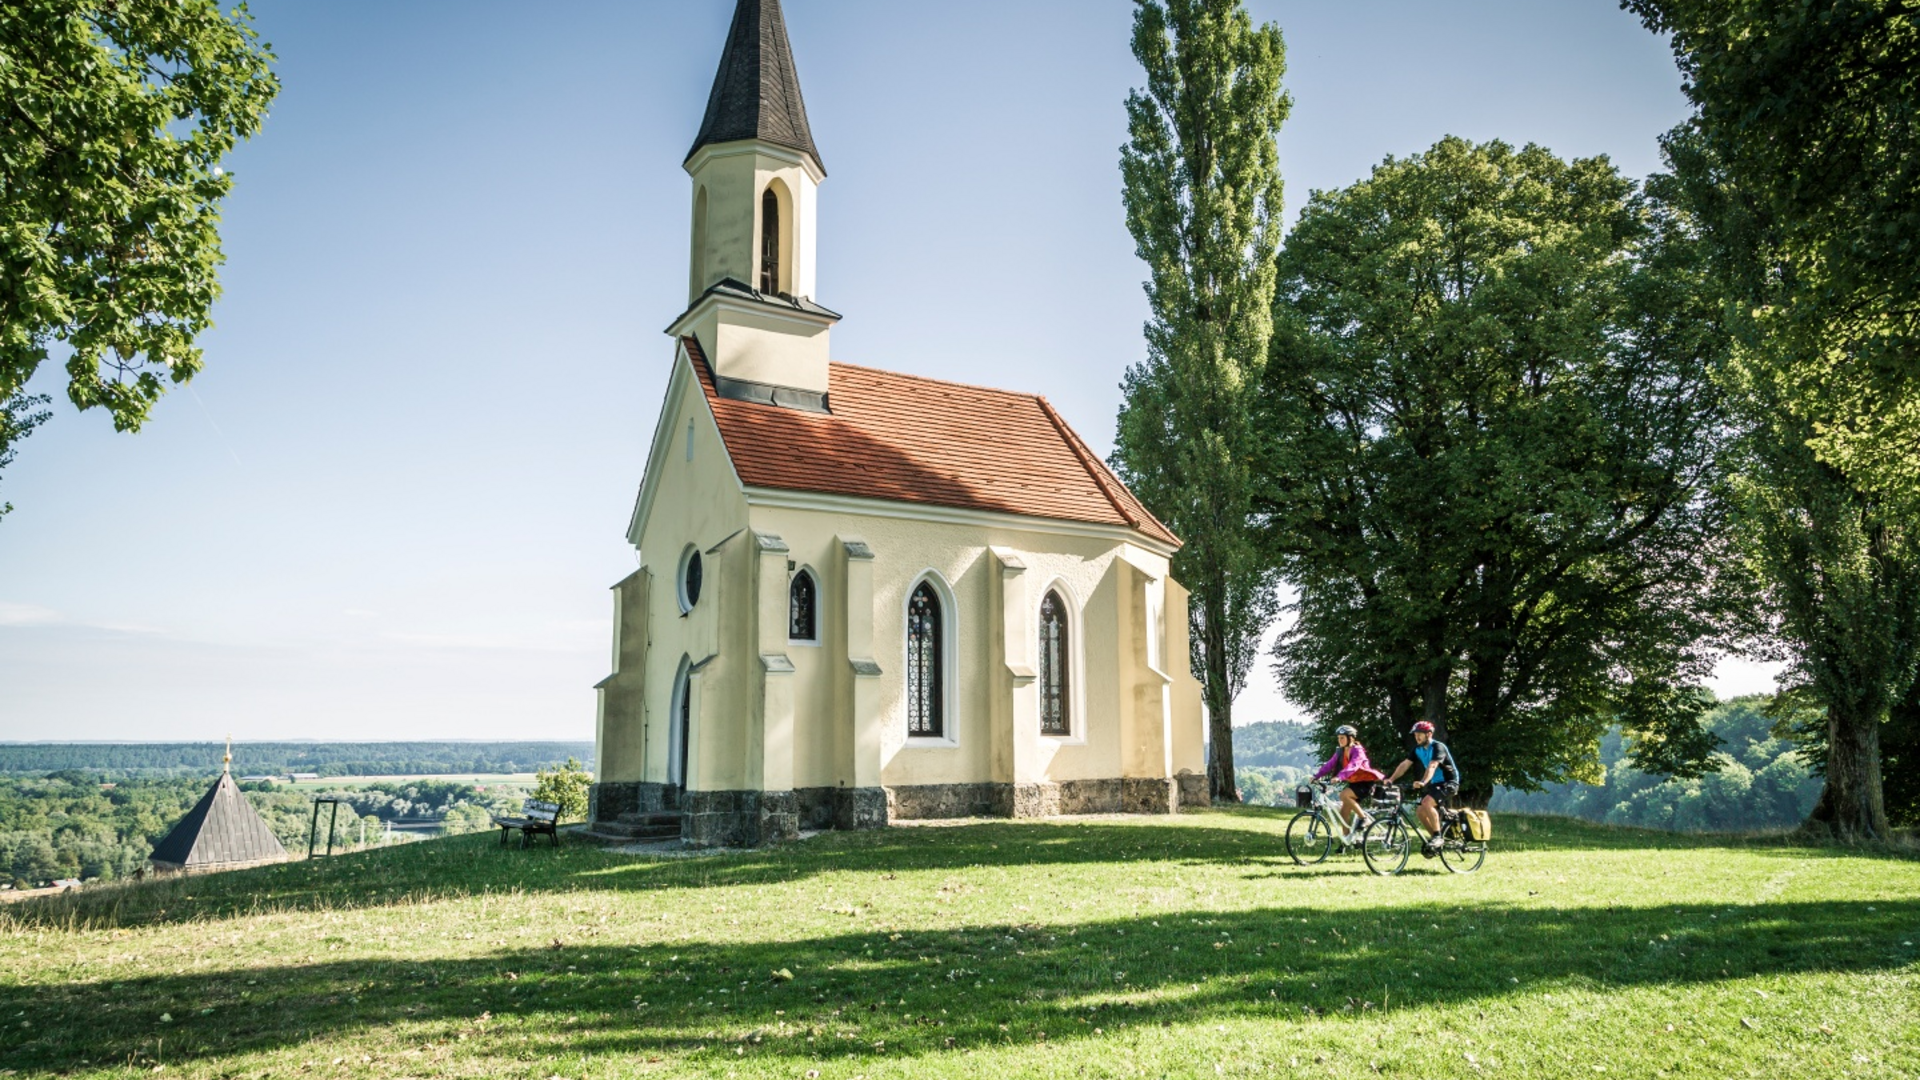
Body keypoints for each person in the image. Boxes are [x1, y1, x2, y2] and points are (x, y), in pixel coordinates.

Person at [1385, 721, 1462, 854]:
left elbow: (1432, 765)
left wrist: (1423, 781)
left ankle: (1438, 837)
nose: (1417, 737)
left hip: (1449, 782)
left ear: (1429, 734)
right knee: (1420, 811)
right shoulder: (1418, 750)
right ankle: (1435, 840)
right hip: (1435, 784)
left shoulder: (1438, 747)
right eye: (1415, 735)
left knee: (1427, 803)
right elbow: (1405, 765)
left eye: (1420, 734)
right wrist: (1391, 779)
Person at [1310, 725, 1384, 844]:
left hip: (1365, 783)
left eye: (1342, 738)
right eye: (1339, 738)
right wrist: (1316, 776)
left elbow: (1353, 766)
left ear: (1351, 738)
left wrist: (1339, 777)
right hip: (1354, 783)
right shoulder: (1340, 751)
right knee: (1344, 811)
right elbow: (1330, 764)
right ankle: (1347, 839)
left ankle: (1364, 818)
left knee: (1344, 795)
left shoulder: (1358, 750)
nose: (1340, 740)